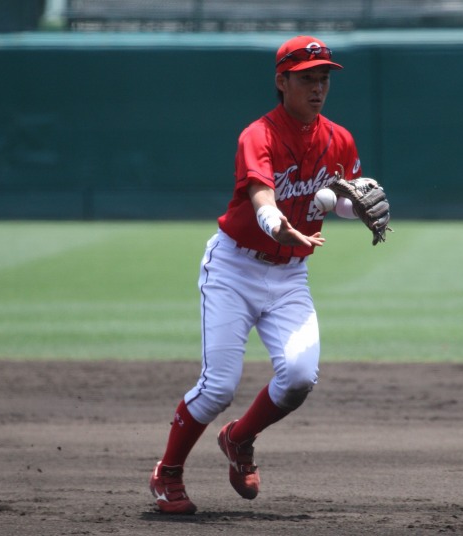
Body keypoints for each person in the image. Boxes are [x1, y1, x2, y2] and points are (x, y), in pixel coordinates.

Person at [149, 35, 365, 514]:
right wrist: (276, 224)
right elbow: (261, 195)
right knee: (218, 387)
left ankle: (239, 438)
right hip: (234, 268)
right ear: (281, 81)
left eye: (323, 78)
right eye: (307, 79)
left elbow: (345, 199)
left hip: (289, 277)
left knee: (300, 378)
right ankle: (168, 473)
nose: (318, 88)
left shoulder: (339, 139)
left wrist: (357, 208)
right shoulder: (259, 135)